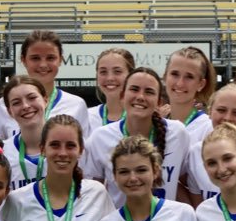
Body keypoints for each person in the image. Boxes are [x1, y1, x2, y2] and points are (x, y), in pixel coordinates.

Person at [82, 67, 191, 207]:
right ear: (122, 96)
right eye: (134, 89)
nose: (140, 96)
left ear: (159, 102)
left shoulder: (177, 133)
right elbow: (94, 191)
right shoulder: (100, 137)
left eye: (149, 92)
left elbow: (184, 183)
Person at [0, 31, 92, 140]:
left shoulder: (76, 105)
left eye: (50, 58)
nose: (43, 65)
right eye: (35, 58)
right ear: (23, 60)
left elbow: (83, 151)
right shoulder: (4, 105)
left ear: (60, 60)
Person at [0, 76, 49, 191]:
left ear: (45, 100)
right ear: (9, 111)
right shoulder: (2, 154)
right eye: (16, 103)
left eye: (32, 98)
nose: (26, 106)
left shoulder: (66, 147)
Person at [163, 46, 217, 143]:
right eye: (175, 74)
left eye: (189, 77)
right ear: (165, 76)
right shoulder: (155, 126)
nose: (180, 83)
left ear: (201, 84)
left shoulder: (208, 129)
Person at [89, 48, 135, 129]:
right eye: (103, 72)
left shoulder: (141, 117)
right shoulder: (87, 117)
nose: (109, 78)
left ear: (131, 75)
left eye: (117, 71)